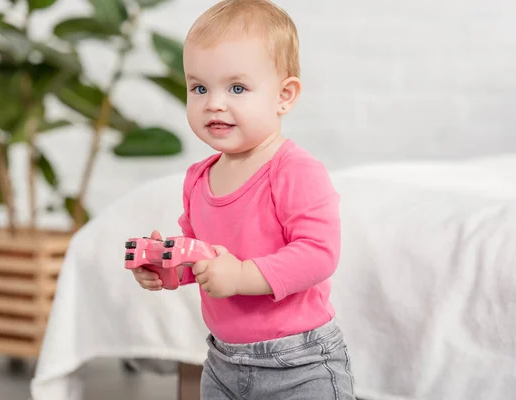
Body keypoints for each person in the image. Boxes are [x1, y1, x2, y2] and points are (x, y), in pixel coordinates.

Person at [131, 0, 355, 398]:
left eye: (237, 88)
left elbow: (320, 254)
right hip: (223, 362)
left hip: (299, 362)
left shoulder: (294, 170)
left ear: (284, 96)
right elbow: (202, 258)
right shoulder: (199, 178)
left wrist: (241, 277)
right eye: (199, 87)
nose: (213, 102)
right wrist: (169, 266)